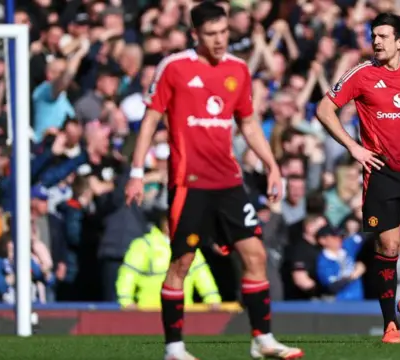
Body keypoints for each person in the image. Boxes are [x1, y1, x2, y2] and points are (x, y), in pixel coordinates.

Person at [125, 3, 303, 360]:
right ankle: (174, 348)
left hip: (230, 182)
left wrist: (271, 165)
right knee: (182, 262)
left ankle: (262, 340)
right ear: (196, 35)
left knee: (255, 255)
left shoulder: (238, 69)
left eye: (224, 32)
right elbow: (149, 121)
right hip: (189, 183)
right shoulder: (174, 67)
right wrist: (137, 172)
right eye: (211, 34)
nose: (220, 40)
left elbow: (249, 123)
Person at [315, 13, 400, 344]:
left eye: (383, 36)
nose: (376, 41)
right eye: (373, 35)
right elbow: (324, 109)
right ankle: (390, 323)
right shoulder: (362, 74)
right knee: (388, 246)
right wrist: (353, 147)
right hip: (381, 173)